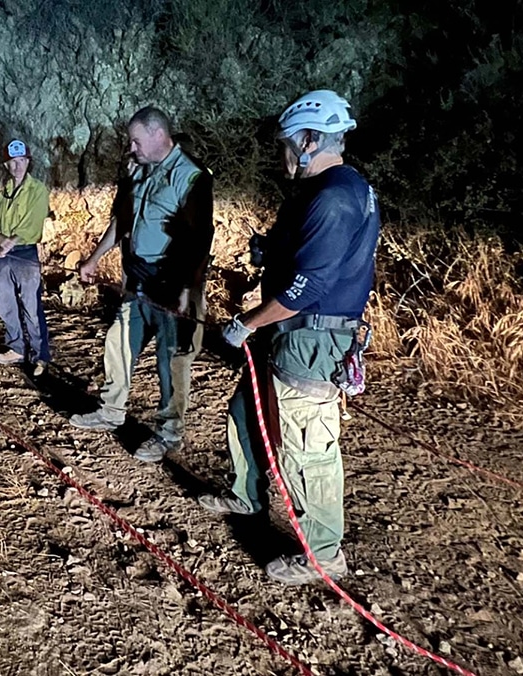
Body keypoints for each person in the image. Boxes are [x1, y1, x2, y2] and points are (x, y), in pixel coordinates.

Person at [202, 90, 381, 586]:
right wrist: (271, 250)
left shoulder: (334, 198)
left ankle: (323, 552)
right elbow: (306, 258)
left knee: (306, 447)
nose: (280, 154)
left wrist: (247, 323)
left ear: (307, 140)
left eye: (285, 143)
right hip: (290, 334)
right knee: (246, 410)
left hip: (310, 337)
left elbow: (308, 288)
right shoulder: (335, 190)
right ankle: (247, 492)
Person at [69, 107, 215, 463]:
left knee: (171, 361)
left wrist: (185, 289)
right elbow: (123, 221)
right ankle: (111, 410)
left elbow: (201, 239)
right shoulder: (140, 173)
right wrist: (94, 258)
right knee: (117, 343)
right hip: (136, 280)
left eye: (135, 140)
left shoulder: (191, 177)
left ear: (157, 134)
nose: (130, 148)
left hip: (171, 283)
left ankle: (168, 434)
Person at [0, 140, 51, 376]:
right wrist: (0, 240)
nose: (17, 167)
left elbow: (32, 224)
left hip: (25, 254)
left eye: (21, 161)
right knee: (5, 305)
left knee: (32, 306)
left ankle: (40, 355)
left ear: (28, 162)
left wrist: (9, 242)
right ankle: (16, 348)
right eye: (12, 163)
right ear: (6, 165)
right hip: (2, 255)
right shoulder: (2, 193)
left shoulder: (38, 190)